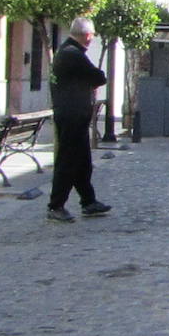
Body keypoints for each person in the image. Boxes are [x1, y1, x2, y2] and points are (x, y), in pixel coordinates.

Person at [47, 17, 111, 223]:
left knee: (82, 162)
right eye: (92, 35)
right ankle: (56, 205)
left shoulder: (67, 52)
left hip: (74, 115)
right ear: (88, 35)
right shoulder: (72, 54)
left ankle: (88, 201)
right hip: (71, 116)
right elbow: (99, 77)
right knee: (68, 161)